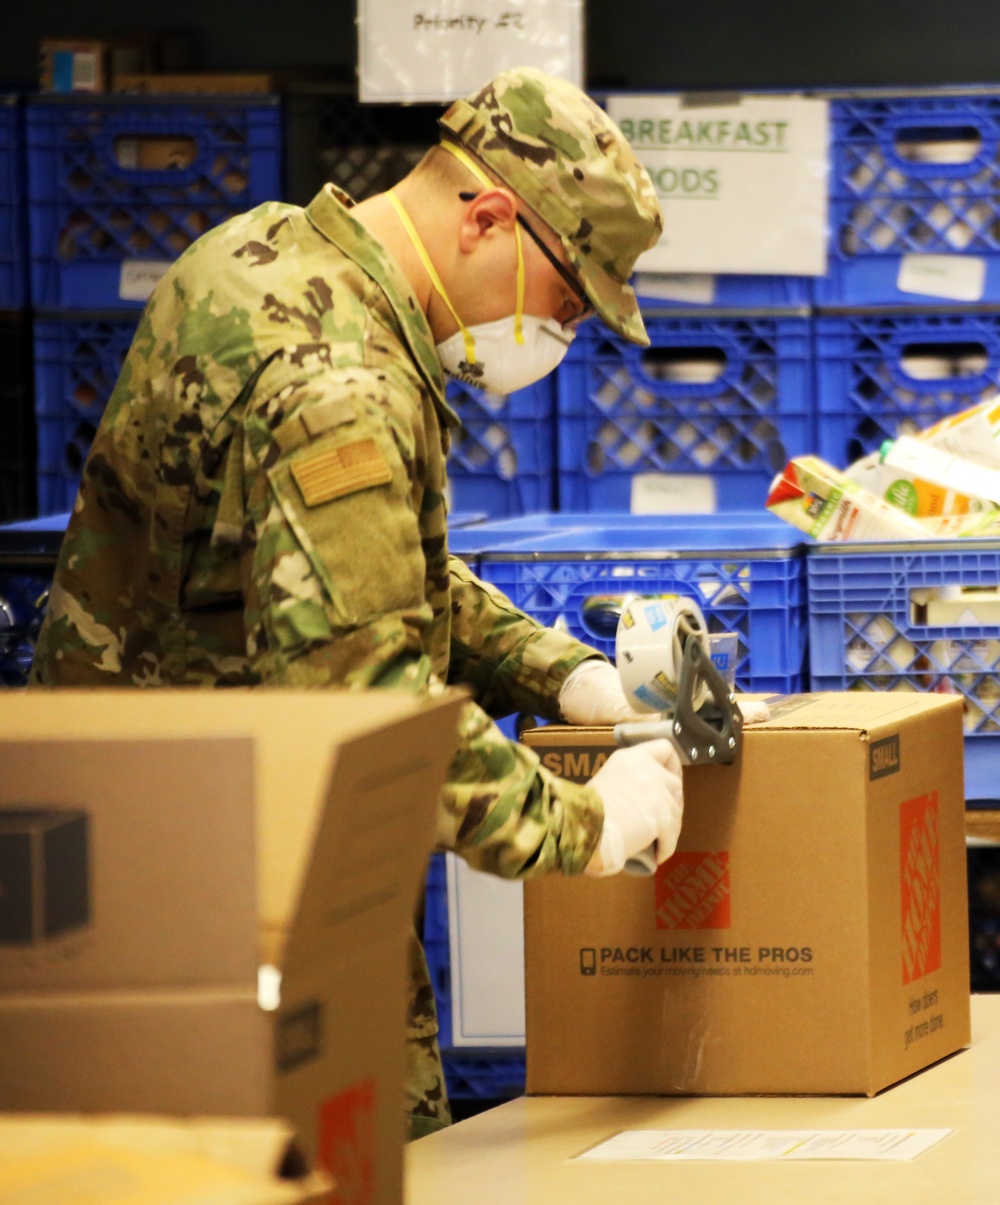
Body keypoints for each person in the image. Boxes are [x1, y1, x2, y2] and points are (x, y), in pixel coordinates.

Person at [30, 66, 686, 1139]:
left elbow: (355, 572)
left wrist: (561, 671)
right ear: (485, 217)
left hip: (144, 846)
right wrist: (590, 823)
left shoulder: (265, 254)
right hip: (228, 905)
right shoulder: (339, 382)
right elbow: (368, 713)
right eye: (563, 302)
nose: (552, 342)